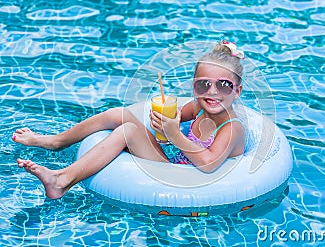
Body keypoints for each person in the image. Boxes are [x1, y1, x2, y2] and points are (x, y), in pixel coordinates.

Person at [12, 41, 246, 199]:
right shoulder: (198, 107)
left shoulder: (232, 128)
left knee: (128, 131)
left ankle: (62, 180)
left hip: (183, 176)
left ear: (237, 91)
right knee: (119, 114)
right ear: (194, 87)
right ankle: (56, 141)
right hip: (174, 159)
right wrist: (164, 123)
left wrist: (174, 135)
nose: (212, 92)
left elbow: (210, 163)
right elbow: (171, 118)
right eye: (203, 84)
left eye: (224, 86)